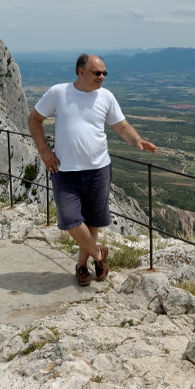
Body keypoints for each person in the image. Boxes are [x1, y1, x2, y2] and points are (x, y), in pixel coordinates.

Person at [28, 53, 158, 286]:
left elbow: (121, 126)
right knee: (70, 219)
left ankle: (81, 266)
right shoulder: (59, 92)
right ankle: (100, 255)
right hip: (64, 170)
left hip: (98, 169)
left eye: (104, 73)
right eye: (97, 73)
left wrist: (137, 141)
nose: (102, 77)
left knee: (92, 222)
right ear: (80, 71)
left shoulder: (106, 96)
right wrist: (43, 151)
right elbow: (34, 119)